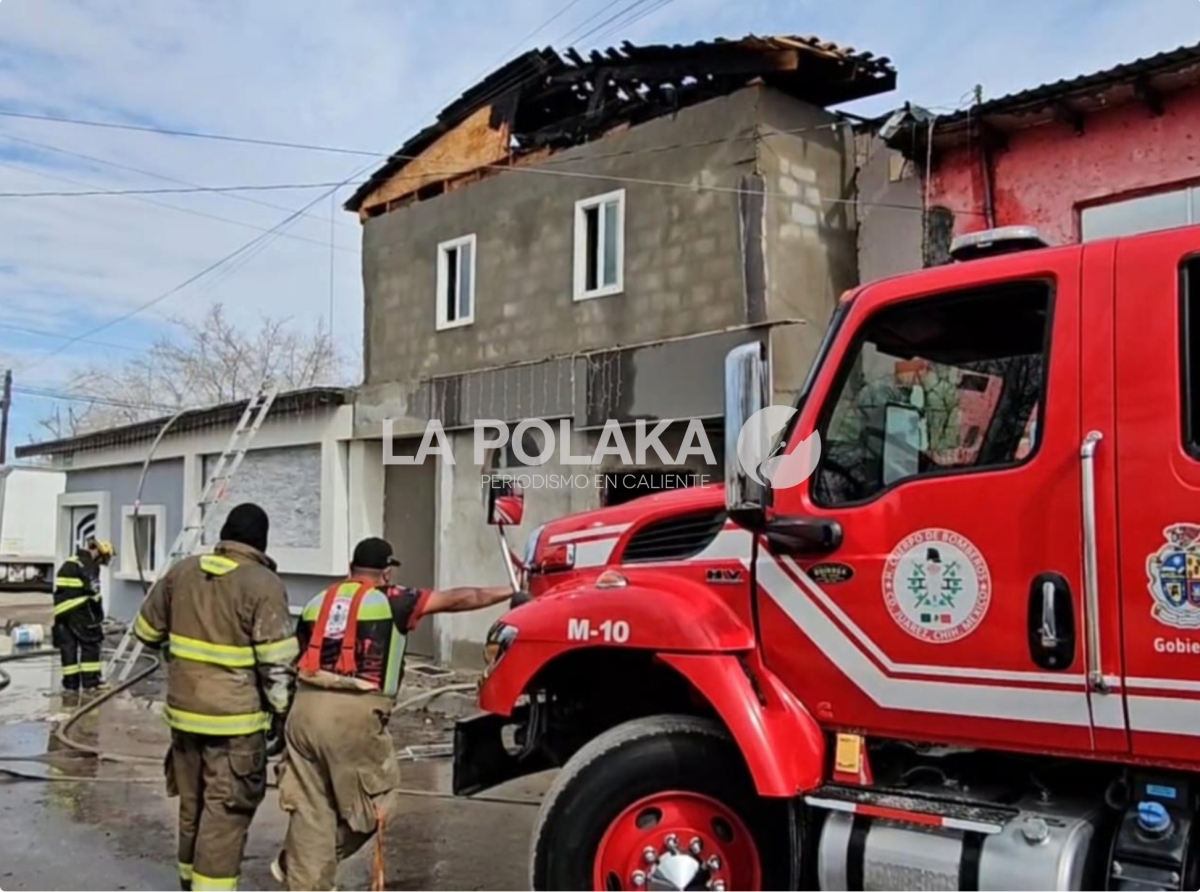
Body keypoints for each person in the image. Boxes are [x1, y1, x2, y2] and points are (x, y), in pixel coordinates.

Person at [271, 536, 515, 891]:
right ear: (386, 572)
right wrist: (511, 592)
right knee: (375, 804)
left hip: (304, 709)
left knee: (312, 806)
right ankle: (301, 861)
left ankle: (303, 872)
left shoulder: (317, 601)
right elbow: (463, 598)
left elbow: (299, 656)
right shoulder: (392, 600)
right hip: (351, 716)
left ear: (351, 569)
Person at [133, 503, 298, 892]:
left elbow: (145, 632)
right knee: (224, 816)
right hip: (236, 725)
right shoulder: (262, 585)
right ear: (261, 542)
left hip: (184, 718)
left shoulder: (182, 572)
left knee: (192, 809)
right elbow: (276, 666)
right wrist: (281, 713)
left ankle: (189, 884)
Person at [52, 536, 114, 692]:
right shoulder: (88, 565)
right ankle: (91, 682)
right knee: (91, 644)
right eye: (103, 559)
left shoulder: (70, 561)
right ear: (98, 552)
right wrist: (98, 616)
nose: (101, 563)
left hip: (61, 613)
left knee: (68, 647)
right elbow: (94, 592)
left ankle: (70, 684)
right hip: (80, 610)